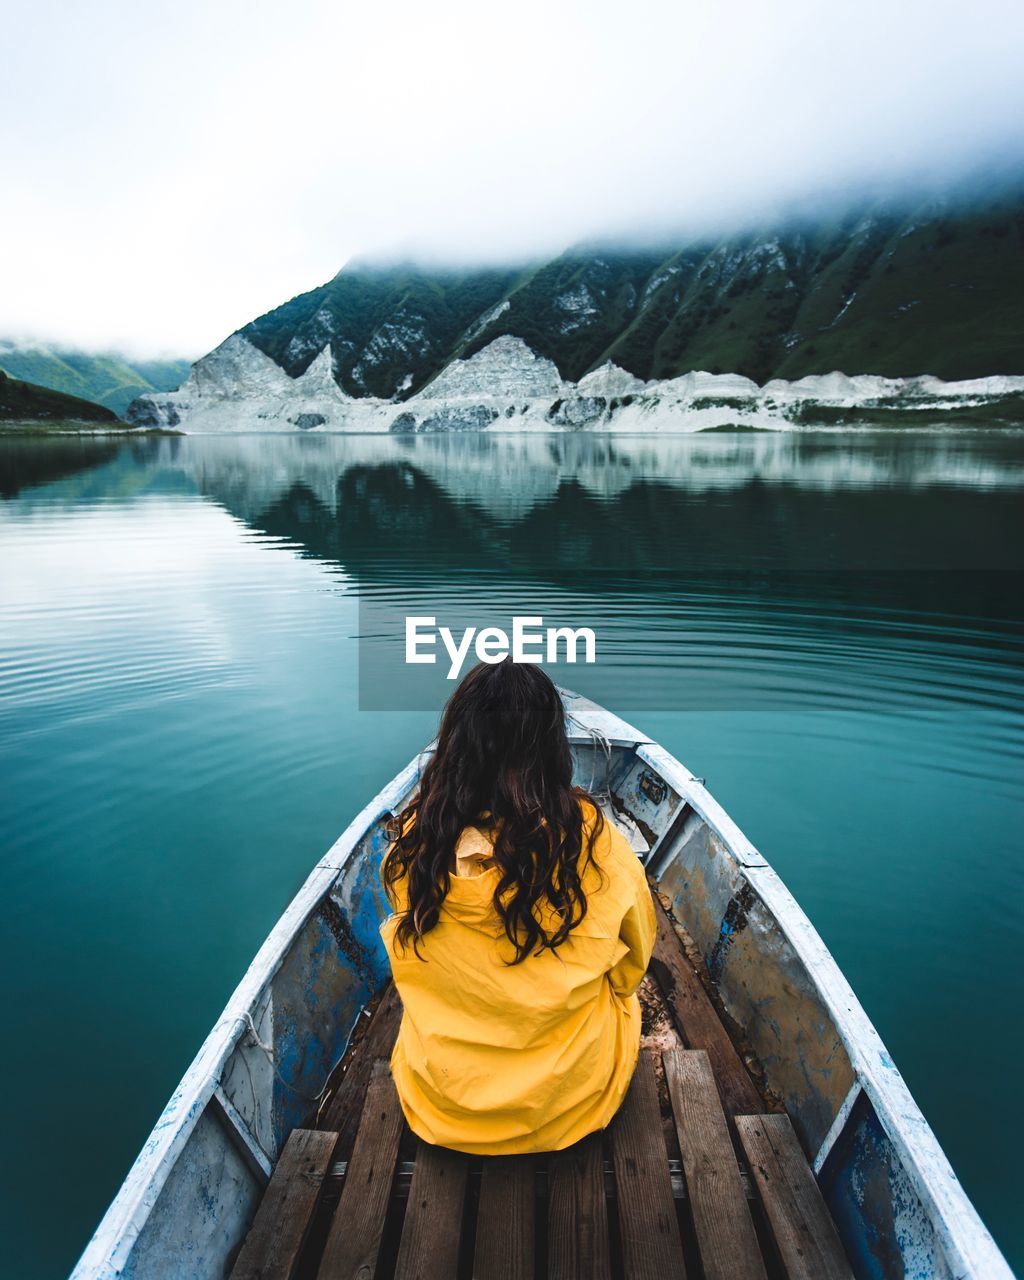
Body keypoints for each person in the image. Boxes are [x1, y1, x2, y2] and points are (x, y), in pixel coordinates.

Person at [378, 658, 657, 1155]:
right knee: (622, 1000)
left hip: (441, 1106)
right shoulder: (598, 847)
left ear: (456, 745)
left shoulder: (413, 848)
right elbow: (632, 967)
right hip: (569, 1106)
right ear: (552, 751)